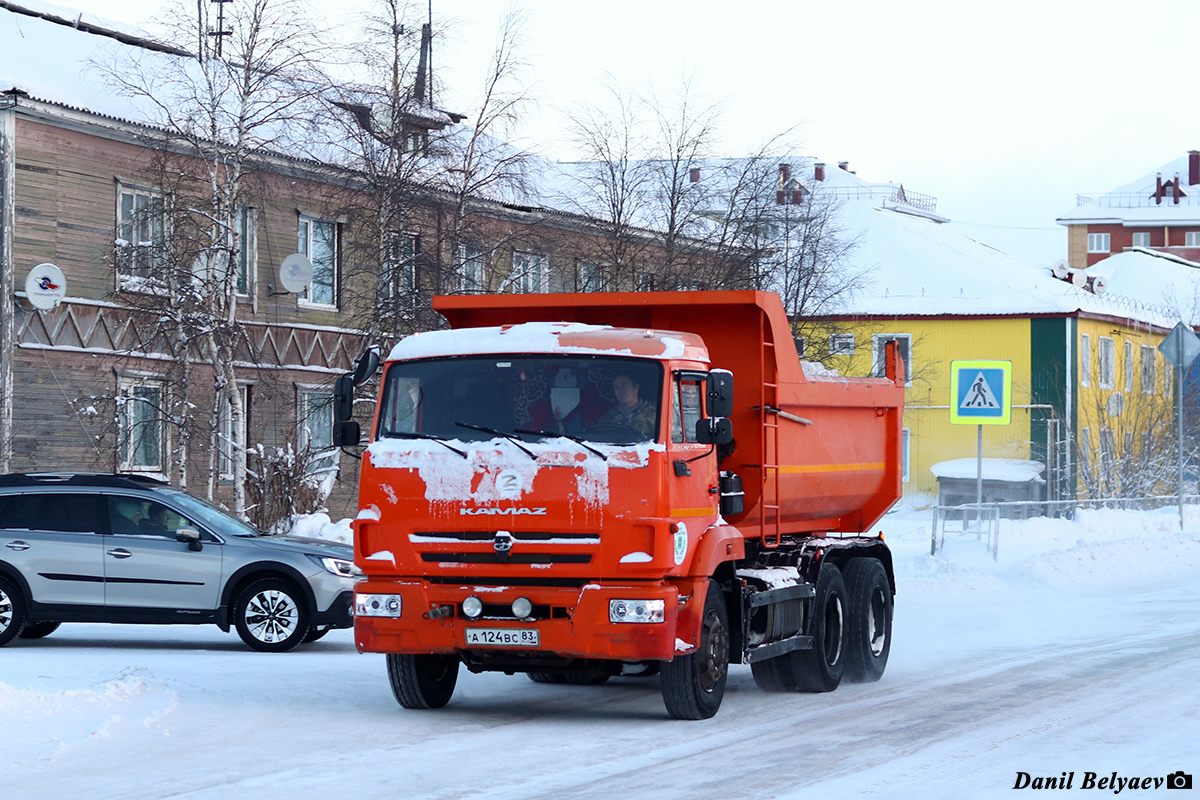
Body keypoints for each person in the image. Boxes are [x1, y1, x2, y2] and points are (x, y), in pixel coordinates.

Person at [597, 373, 656, 439]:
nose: (621, 391)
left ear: (636, 388)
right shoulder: (608, 418)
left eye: (625, 386)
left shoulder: (654, 415)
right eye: (617, 388)